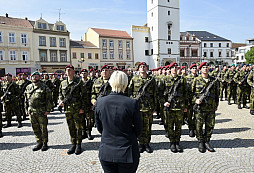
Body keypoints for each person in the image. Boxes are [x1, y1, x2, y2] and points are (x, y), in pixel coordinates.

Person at [95, 70, 142, 173]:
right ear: (125, 83)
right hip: (127, 151)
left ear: (111, 82)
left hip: (106, 151)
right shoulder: (132, 103)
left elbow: (99, 128)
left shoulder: (100, 102)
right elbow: (138, 129)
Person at [128, 62, 157, 153]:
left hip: (148, 107)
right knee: (139, 126)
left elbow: (155, 94)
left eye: (144, 66)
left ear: (146, 68)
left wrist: (154, 107)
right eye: (141, 67)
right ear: (138, 69)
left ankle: (147, 143)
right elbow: (129, 92)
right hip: (138, 107)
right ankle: (141, 143)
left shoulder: (151, 80)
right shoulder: (134, 79)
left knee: (148, 126)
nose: (142, 68)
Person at [192, 62, 219, 153]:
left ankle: (207, 141)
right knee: (198, 126)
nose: (205, 69)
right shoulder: (196, 80)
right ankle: (200, 141)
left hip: (211, 108)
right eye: (203, 67)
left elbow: (216, 94)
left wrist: (216, 105)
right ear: (200, 69)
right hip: (200, 108)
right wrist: (195, 100)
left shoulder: (213, 80)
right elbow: (191, 94)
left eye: (207, 67)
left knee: (210, 126)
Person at [59, 65, 85, 155]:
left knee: (78, 127)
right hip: (68, 109)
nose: (68, 72)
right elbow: (60, 95)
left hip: (77, 108)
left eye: (70, 70)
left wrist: (82, 108)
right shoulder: (63, 83)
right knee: (71, 127)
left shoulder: (79, 82)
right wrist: (60, 101)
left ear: (74, 72)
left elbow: (84, 95)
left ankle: (79, 145)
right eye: (67, 70)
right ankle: (73, 144)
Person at [163, 62, 188, 153]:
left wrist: (186, 106)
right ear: (170, 69)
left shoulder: (182, 80)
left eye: (176, 67)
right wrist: (164, 102)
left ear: (178, 69)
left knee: (178, 126)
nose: (174, 69)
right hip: (169, 107)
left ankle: (177, 142)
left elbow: (186, 93)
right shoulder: (165, 79)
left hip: (179, 107)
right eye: (172, 67)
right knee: (170, 126)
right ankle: (172, 142)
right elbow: (160, 93)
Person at [24, 72, 52, 151]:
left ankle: (45, 143)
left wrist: (48, 110)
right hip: (31, 111)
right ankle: (39, 142)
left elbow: (49, 99)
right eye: (33, 77)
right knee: (35, 128)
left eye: (36, 77)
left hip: (41, 111)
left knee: (43, 128)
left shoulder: (44, 87)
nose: (34, 78)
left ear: (39, 77)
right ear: (31, 78)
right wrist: (26, 109)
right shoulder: (28, 87)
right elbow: (26, 100)